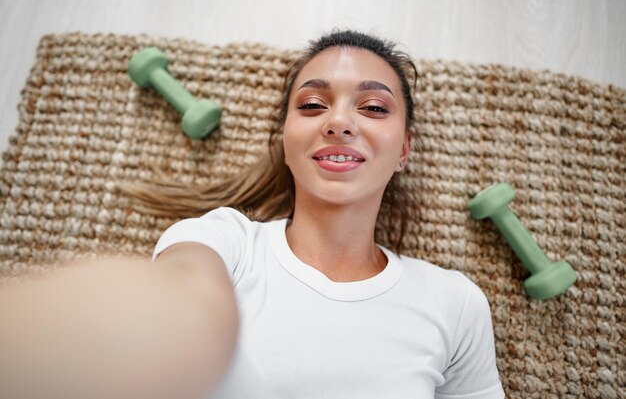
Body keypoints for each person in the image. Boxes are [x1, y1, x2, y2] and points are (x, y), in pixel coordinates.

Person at [0, 30, 504, 399]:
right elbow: (180, 302)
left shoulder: (454, 304)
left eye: (373, 108)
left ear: (405, 150)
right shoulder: (223, 242)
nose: (339, 121)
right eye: (311, 105)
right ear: (285, 142)